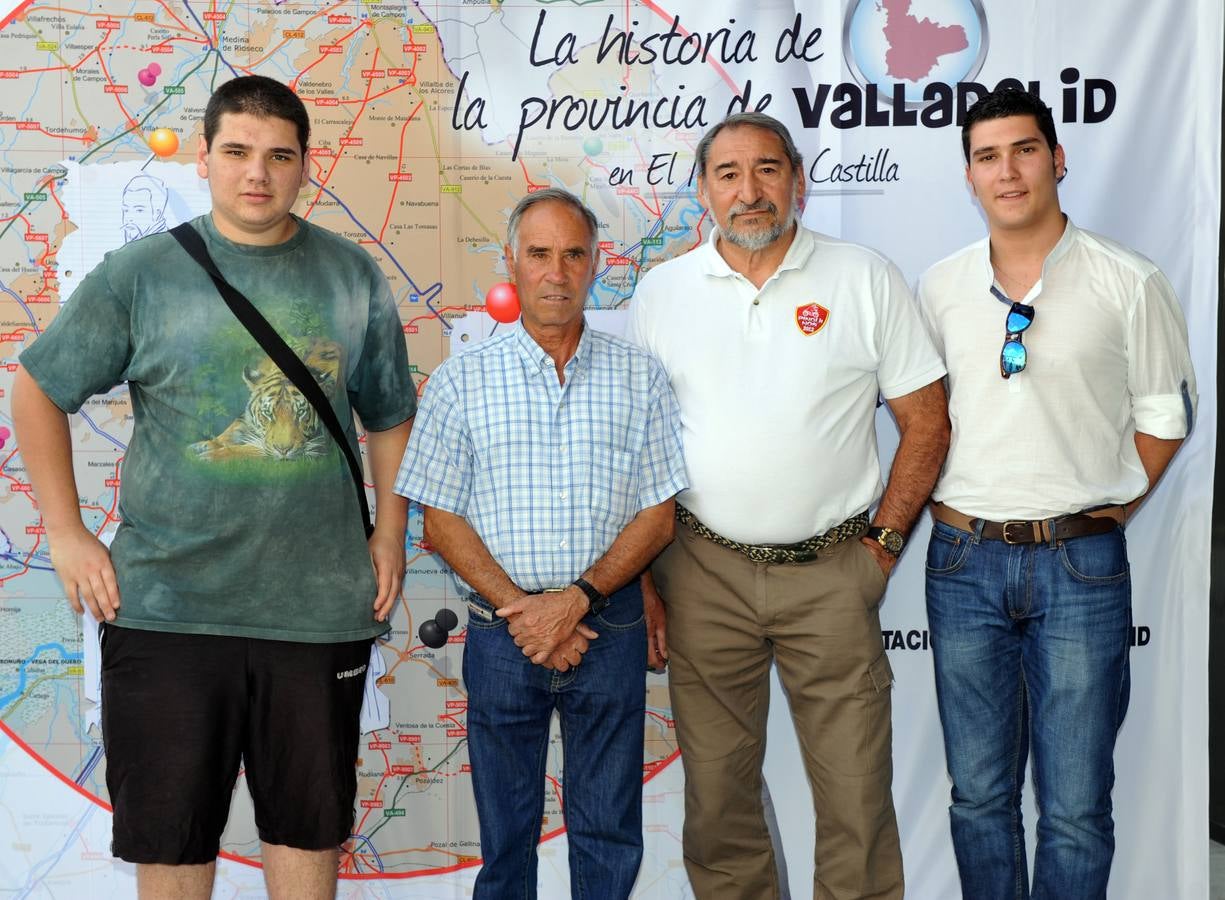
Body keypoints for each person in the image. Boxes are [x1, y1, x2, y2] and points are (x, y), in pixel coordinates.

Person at [12, 75, 417, 899]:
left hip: (313, 613)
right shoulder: (142, 273)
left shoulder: (351, 276)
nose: (256, 173)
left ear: (307, 165)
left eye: (278, 156)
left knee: (307, 837)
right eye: (236, 152)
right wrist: (65, 532)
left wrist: (388, 533)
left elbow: (390, 415)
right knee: (172, 846)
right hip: (165, 612)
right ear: (204, 158)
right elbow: (36, 389)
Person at [626, 111, 950, 900]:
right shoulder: (660, 293)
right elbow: (631, 449)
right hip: (700, 573)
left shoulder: (862, 277)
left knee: (855, 796)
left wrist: (880, 548)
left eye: (767, 170)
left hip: (835, 569)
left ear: (797, 181)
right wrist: (640, 579)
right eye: (728, 174)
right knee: (717, 799)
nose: (749, 191)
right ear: (702, 190)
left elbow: (926, 422)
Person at [916, 87, 1196, 899]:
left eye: (1024, 149)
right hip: (962, 560)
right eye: (986, 156)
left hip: (1081, 565)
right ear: (967, 176)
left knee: (1074, 808)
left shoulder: (1127, 280)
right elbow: (922, 418)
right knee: (977, 799)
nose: (1007, 171)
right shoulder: (937, 289)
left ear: (1057, 158)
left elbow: (1164, 415)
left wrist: (1106, 508)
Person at [394, 187, 686, 899]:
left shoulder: (640, 377)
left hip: (607, 628)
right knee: (506, 836)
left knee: (607, 831)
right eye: (538, 254)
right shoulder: (460, 382)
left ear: (594, 265)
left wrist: (574, 602)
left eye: (572, 254)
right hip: (503, 638)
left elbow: (657, 515)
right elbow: (439, 520)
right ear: (511, 264)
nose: (556, 271)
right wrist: (526, 612)